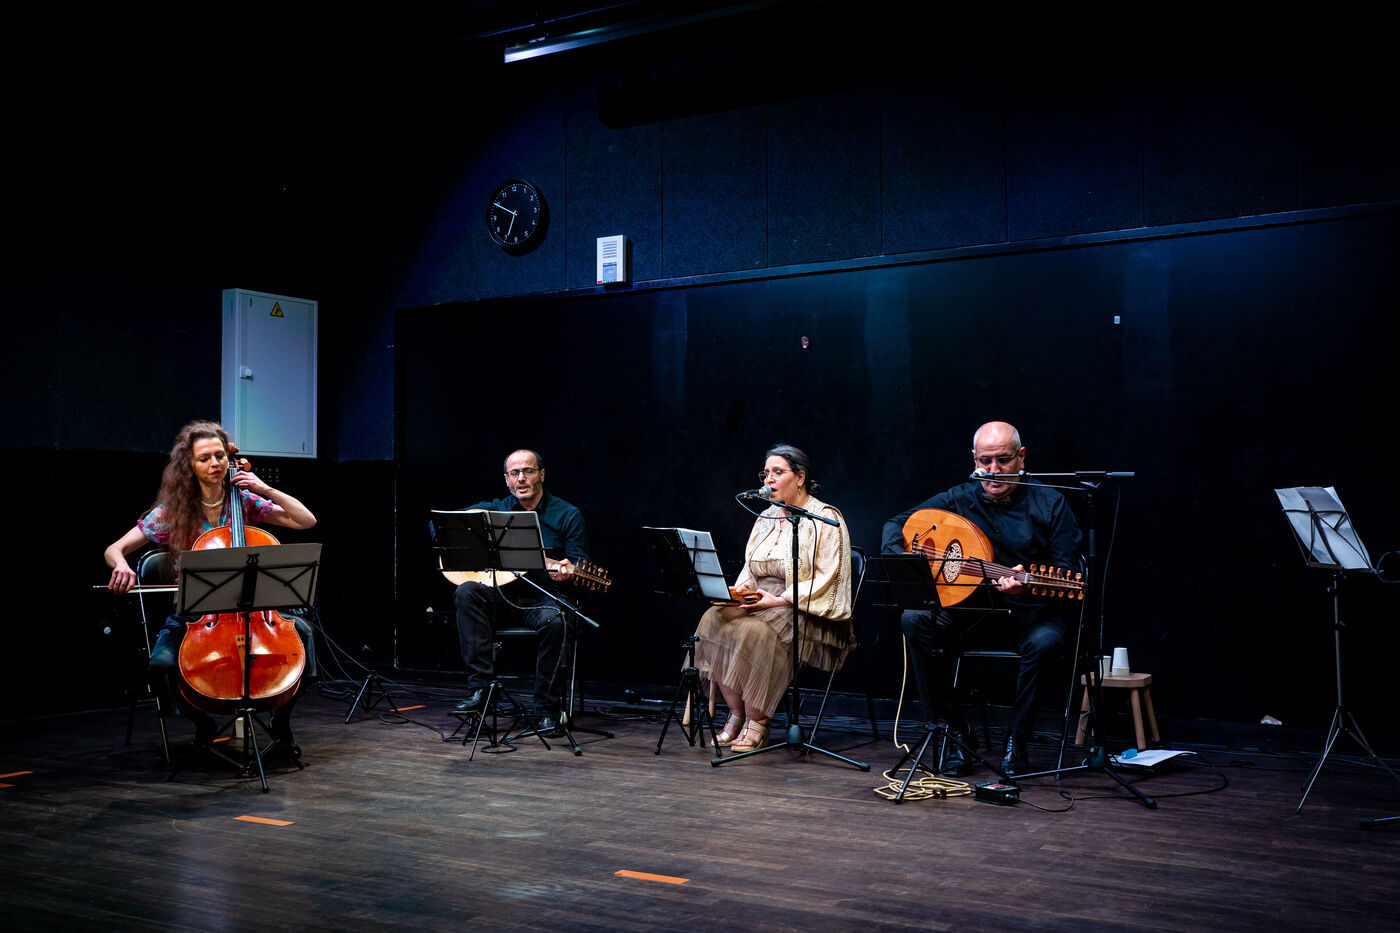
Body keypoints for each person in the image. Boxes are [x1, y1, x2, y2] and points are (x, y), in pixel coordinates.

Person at [881, 421, 1082, 777]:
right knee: (915, 619)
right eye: (985, 461)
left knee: (1047, 642)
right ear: (974, 459)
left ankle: (1017, 739)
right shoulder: (958, 498)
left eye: (1003, 460)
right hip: (971, 614)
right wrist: (911, 559)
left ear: (1021, 457)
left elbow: (1066, 572)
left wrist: (1026, 586)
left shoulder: (1051, 504)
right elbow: (895, 524)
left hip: (1031, 614)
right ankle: (955, 733)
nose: (993, 470)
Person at [104, 420, 317, 750]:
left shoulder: (243, 500)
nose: (215, 463)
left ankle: (281, 721)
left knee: (305, 638)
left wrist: (265, 489)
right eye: (204, 458)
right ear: (188, 465)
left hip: (255, 613)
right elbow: (114, 549)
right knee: (161, 664)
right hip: (195, 616)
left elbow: (306, 520)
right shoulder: (173, 511)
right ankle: (203, 725)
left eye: (219, 455)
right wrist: (121, 565)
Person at [694, 444, 854, 751]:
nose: (769, 479)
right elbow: (750, 566)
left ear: (800, 477)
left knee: (756, 631)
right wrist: (737, 594)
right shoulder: (765, 516)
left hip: (805, 606)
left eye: (777, 472)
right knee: (714, 619)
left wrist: (781, 600)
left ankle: (759, 722)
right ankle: (736, 714)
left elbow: (830, 576)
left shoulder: (825, 518)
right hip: (761, 599)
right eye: (766, 473)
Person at [451, 449, 589, 737]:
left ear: (542, 474)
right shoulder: (495, 509)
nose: (521, 478)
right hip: (501, 597)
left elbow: (579, 564)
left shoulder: (567, 514)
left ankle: (547, 710)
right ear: (507, 479)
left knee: (556, 621)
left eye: (528, 471)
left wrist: (568, 571)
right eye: (514, 473)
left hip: (543, 598)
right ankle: (481, 691)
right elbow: (442, 525)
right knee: (467, 591)